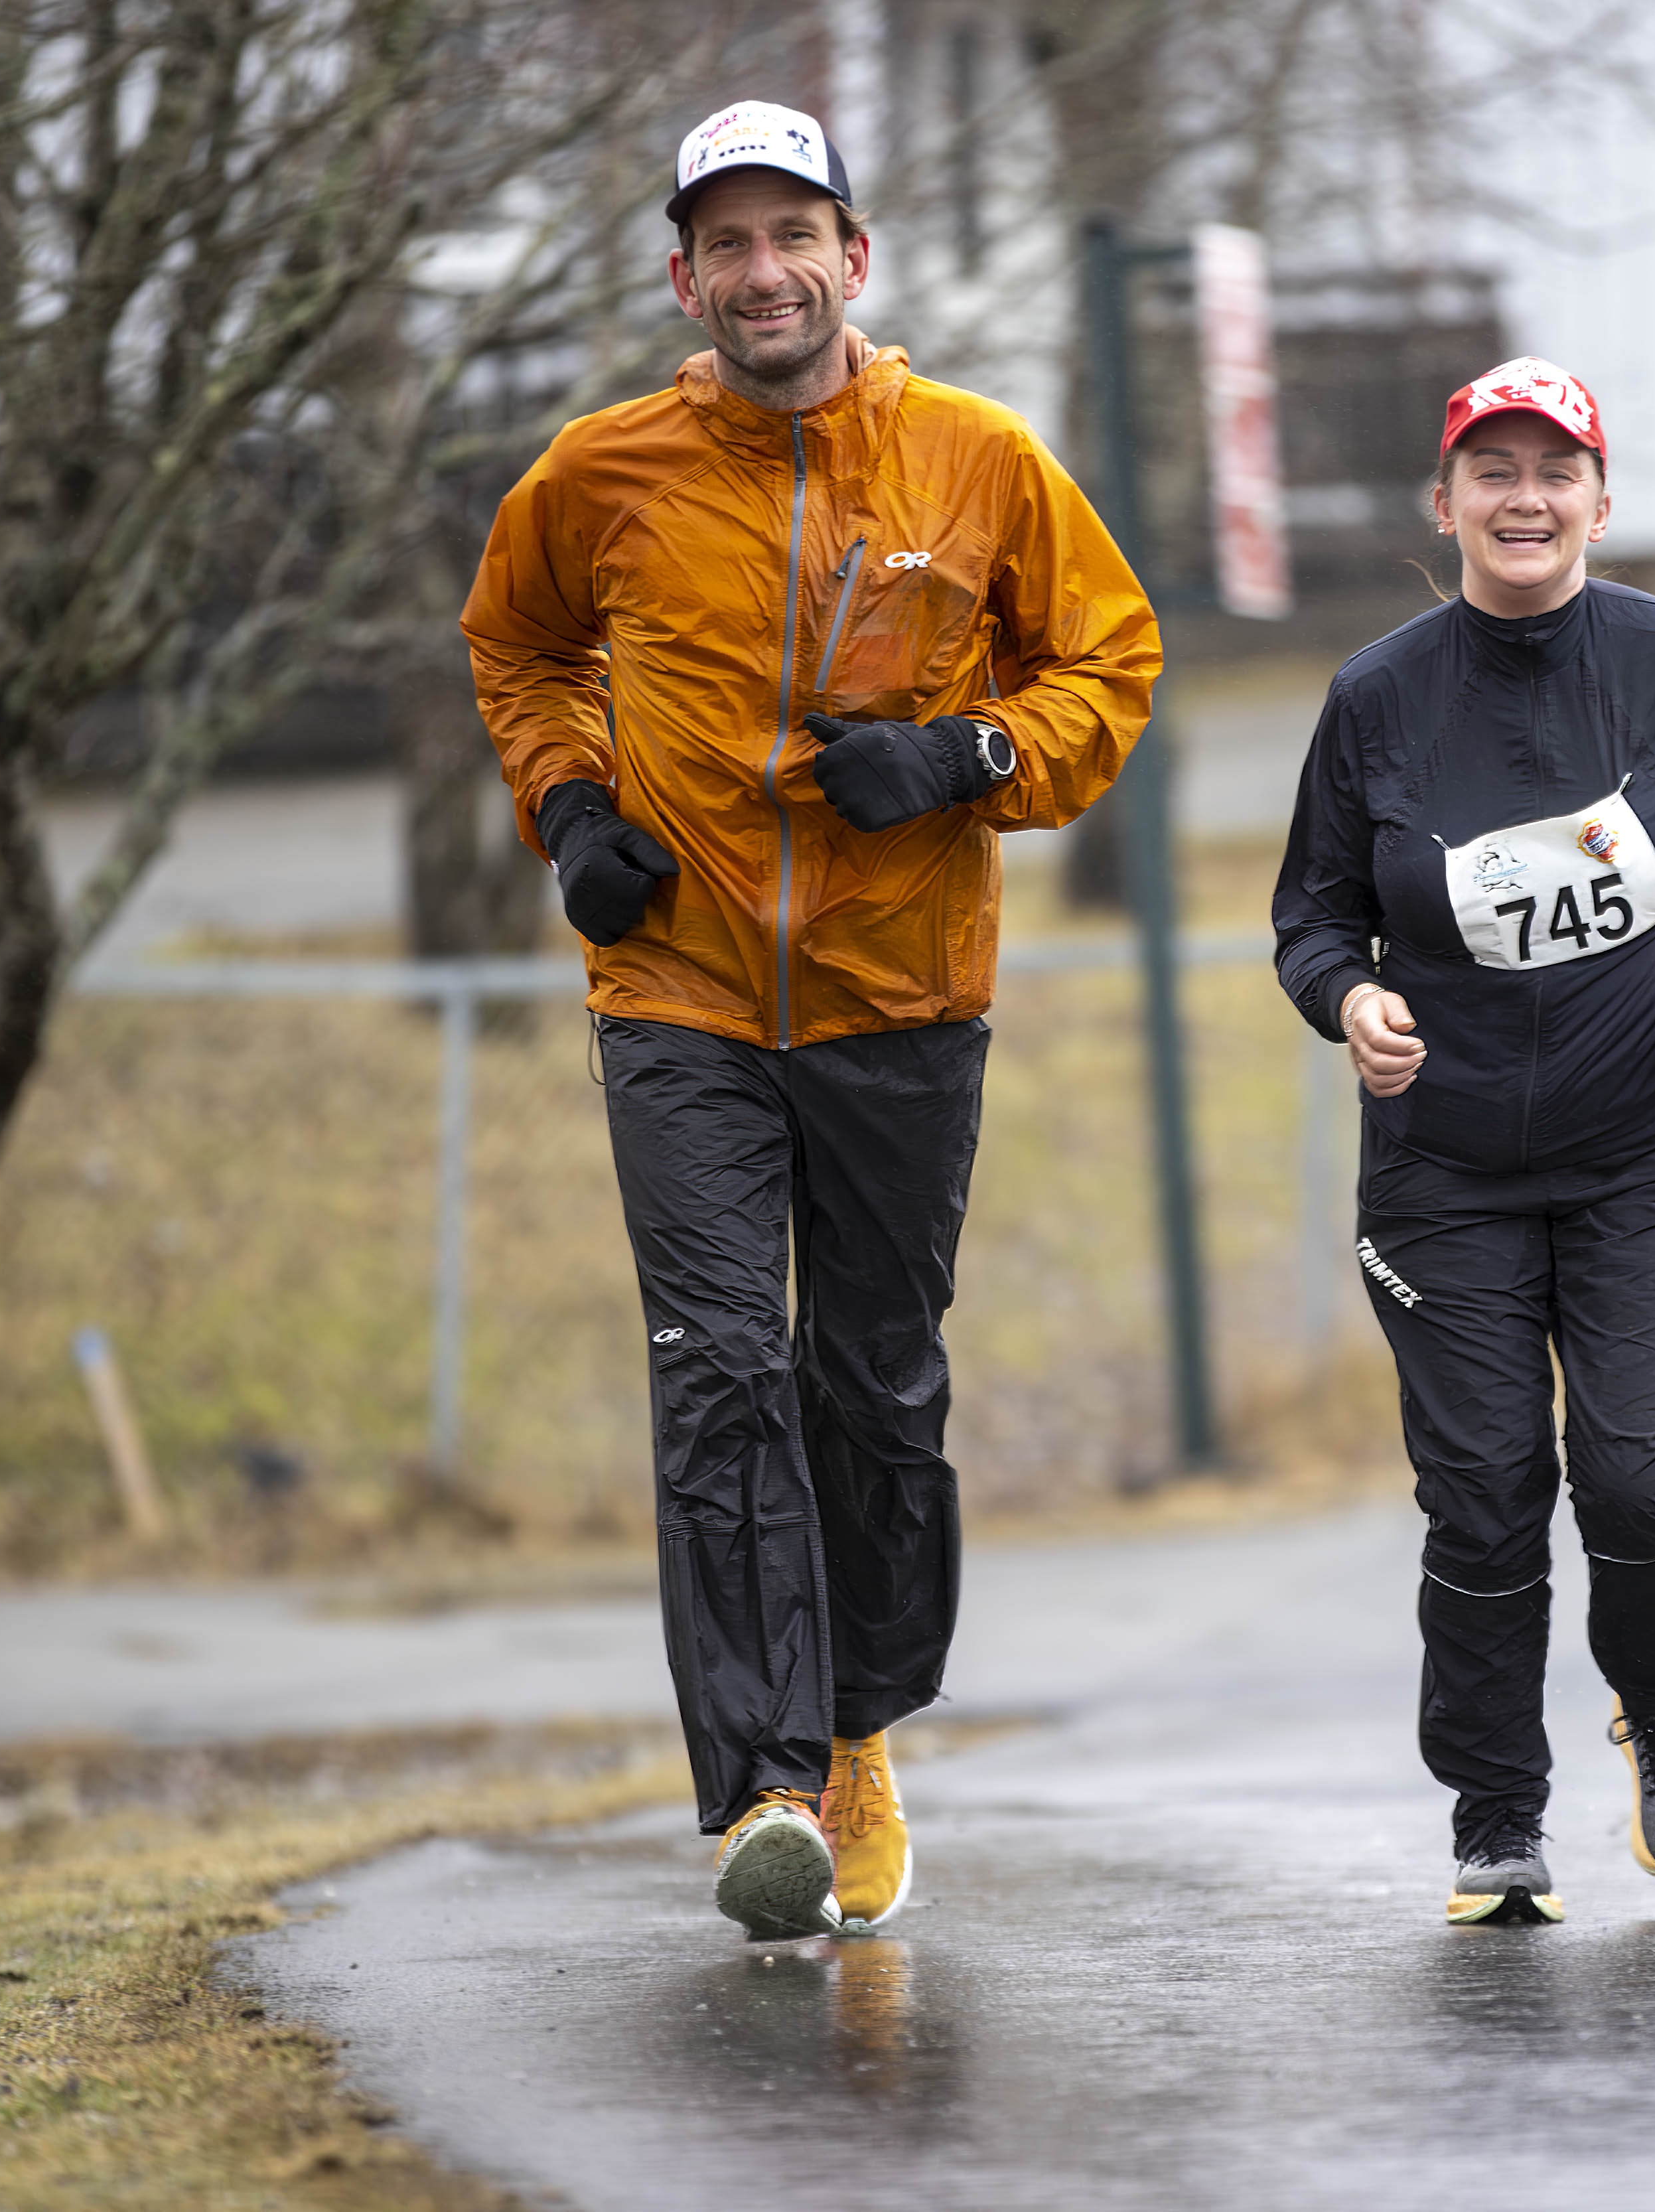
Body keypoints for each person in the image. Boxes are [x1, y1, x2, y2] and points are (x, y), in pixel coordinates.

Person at [464, 99, 1157, 1941]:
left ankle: (857, 1733)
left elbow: (1113, 664)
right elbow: (516, 645)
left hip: (900, 995)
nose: (761, 273)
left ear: (856, 258)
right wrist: (571, 807)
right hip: (676, 992)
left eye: (795, 236)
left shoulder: (978, 457)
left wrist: (966, 755)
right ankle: (765, 1785)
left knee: (876, 1384)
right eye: (726, 245)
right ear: (680, 279)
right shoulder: (599, 472)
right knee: (717, 1371)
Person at [1271, 358, 1655, 1925]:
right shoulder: (1377, 697)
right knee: (1489, 1486)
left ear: (1599, 497)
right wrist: (1348, 996)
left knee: (1643, 1482)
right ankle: (1498, 1812)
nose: (1523, 498)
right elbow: (1313, 909)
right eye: (1490, 471)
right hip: (1442, 1172)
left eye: (1552, 470)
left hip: (1643, 1150)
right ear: (1442, 506)